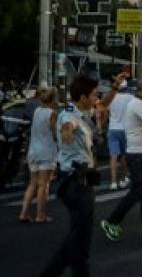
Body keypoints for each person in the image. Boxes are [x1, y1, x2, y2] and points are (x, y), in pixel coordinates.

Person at [40, 74, 100, 277]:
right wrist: (65, 134)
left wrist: (116, 88)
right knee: (80, 239)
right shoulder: (69, 116)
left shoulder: (82, 112)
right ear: (83, 97)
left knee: (78, 236)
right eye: (94, 95)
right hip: (76, 183)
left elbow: (103, 106)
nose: (96, 98)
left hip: (81, 181)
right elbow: (67, 127)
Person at [100, 80, 142, 243]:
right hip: (139, 155)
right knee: (138, 191)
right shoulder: (138, 104)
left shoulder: (140, 104)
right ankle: (112, 221)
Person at [19, 87, 58, 224]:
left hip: (33, 151)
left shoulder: (37, 111)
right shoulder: (52, 113)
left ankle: (24, 213)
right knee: (44, 185)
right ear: (53, 100)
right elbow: (54, 134)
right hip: (46, 151)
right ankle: (40, 215)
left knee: (32, 184)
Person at [102, 74, 132, 191]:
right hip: (125, 129)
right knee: (124, 156)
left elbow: (105, 115)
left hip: (112, 129)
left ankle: (113, 182)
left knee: (113, 156)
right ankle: (124, 178)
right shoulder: (130, 98)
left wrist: (103, 127)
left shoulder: (111, 98)